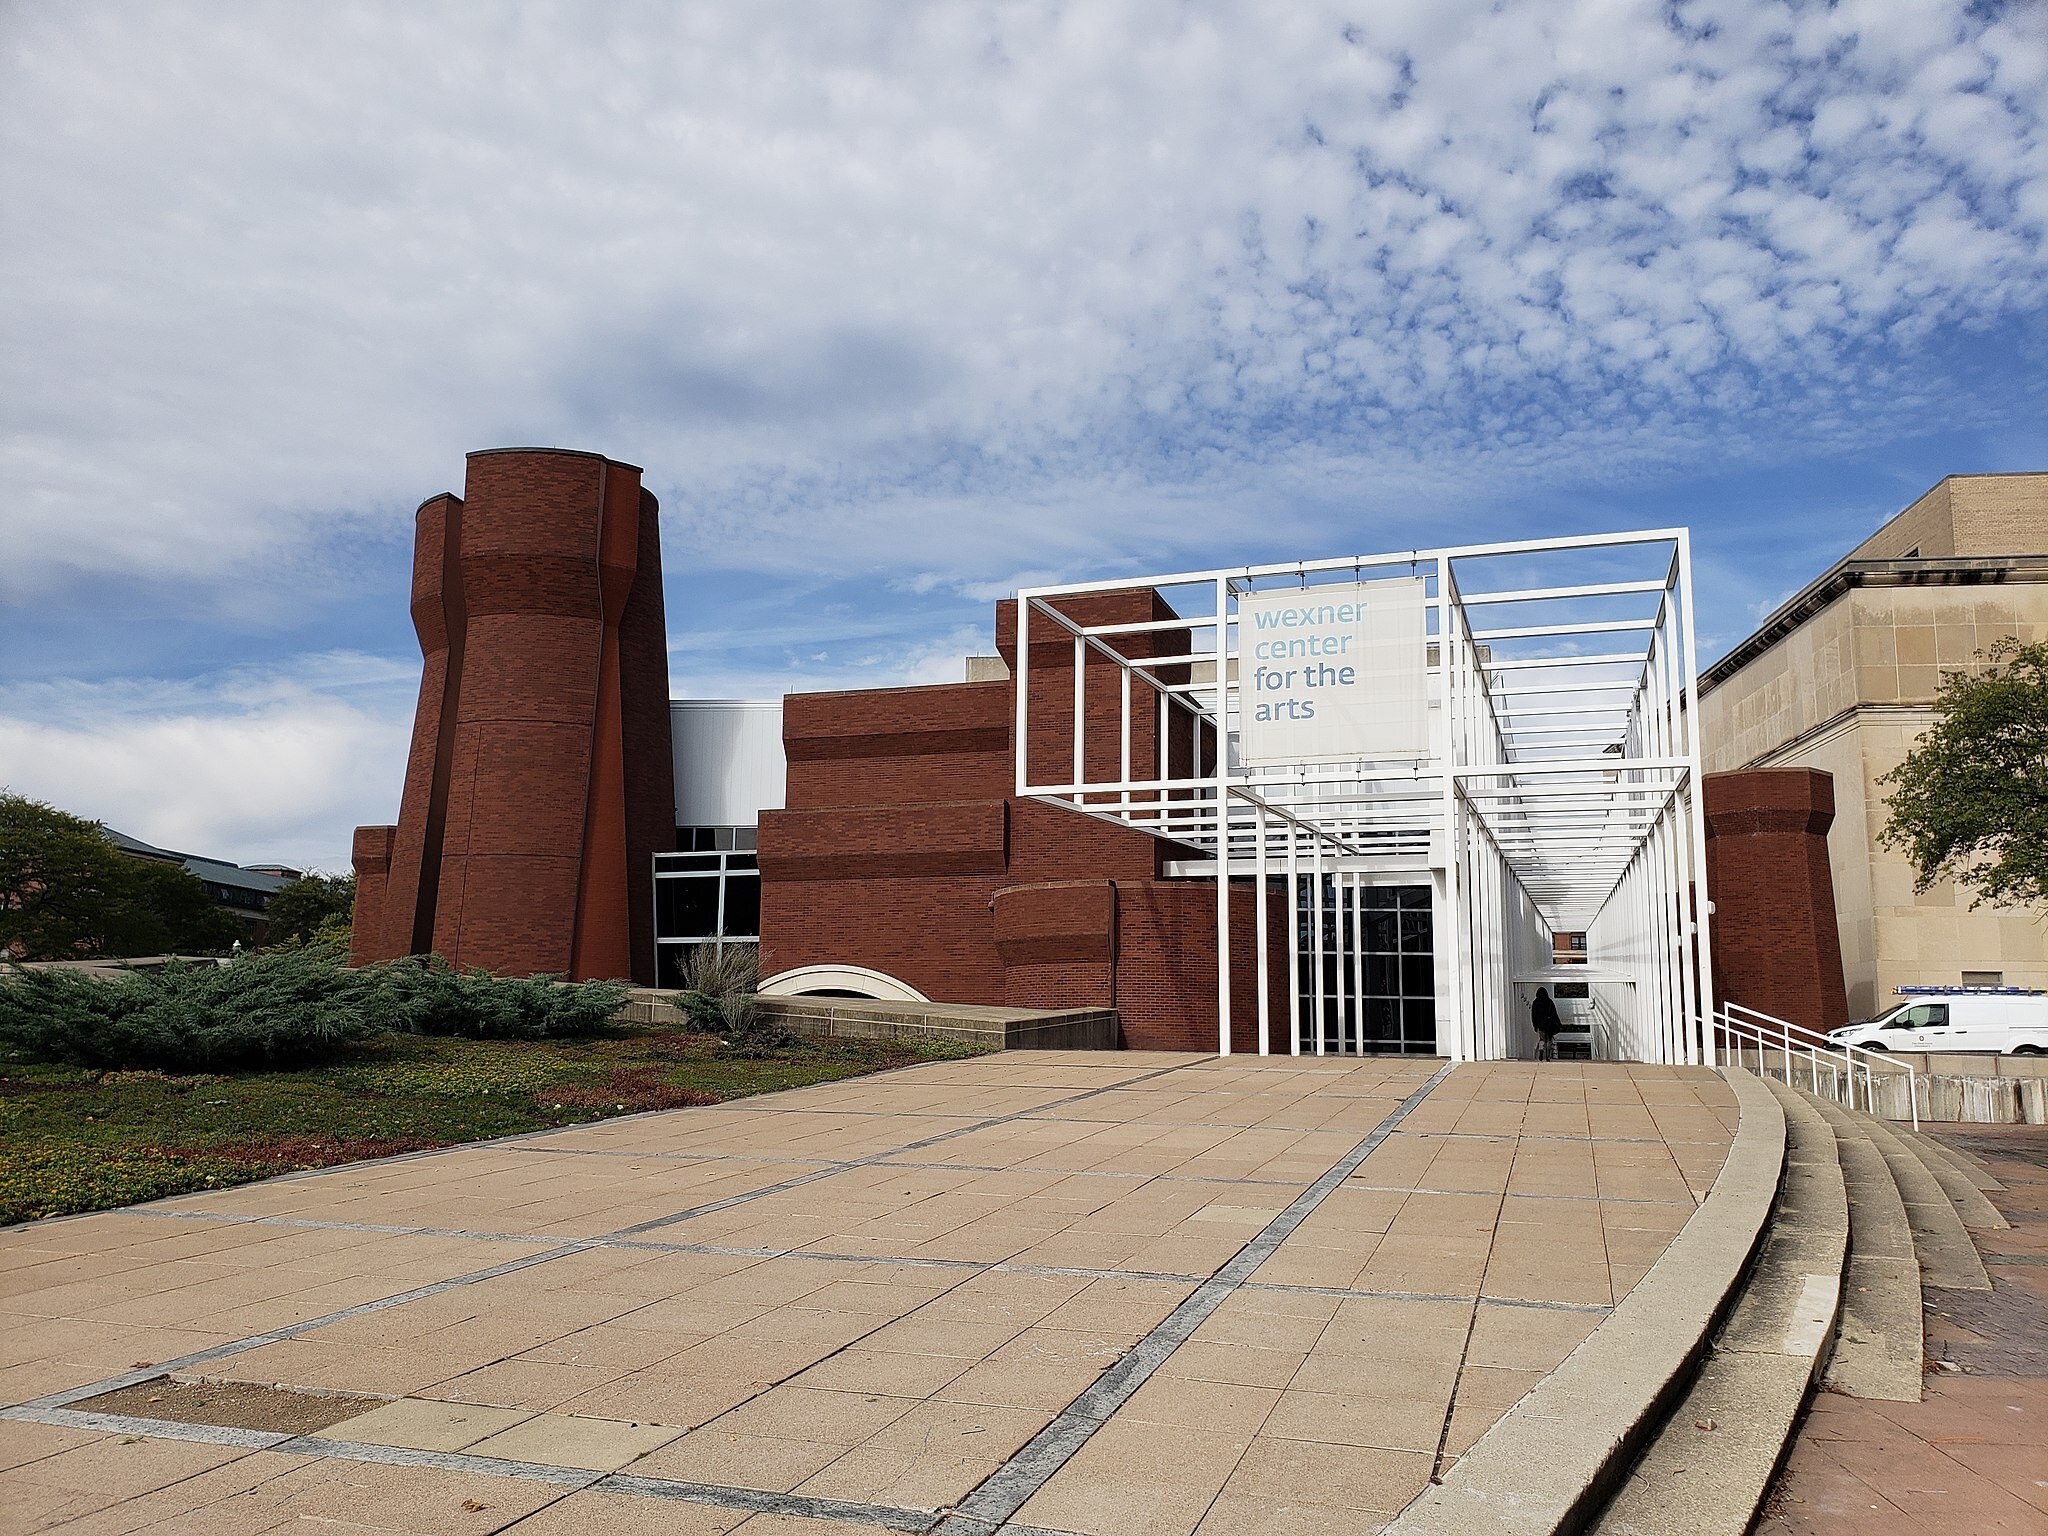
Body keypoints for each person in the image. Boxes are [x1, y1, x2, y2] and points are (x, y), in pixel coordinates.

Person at [1532, 986, 1562, 1062]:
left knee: (1542, 1039)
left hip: (1540, 1024)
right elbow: (1554, 1014)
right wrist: (1559, 1023)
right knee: (1549, 1040)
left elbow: (1533, 1015)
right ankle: (1548, 1057)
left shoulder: (1535, 1002)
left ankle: (1541, 1049)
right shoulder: (1549, 1002)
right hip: (1549, 1024)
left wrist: (1535, 1025)